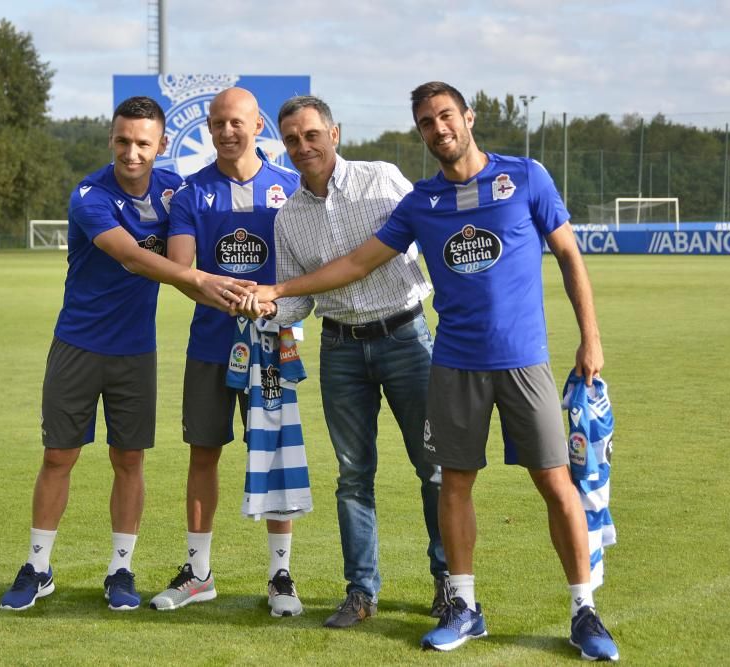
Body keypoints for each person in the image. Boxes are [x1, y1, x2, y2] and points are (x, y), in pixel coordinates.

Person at [243, 82, 619, 661]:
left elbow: (569, 255)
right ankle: (463, 607)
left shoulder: (524, 177)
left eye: (446, 116)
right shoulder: (420, 202)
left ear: (468, 117)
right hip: (448, 363)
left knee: (553, 483)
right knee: (447, 481)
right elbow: (355, 263)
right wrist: (275, 294)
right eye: (426, 121)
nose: (438, 128)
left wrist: (591, 339)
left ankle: (584, 611)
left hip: (510, 360)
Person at [0, 96, 251, 613]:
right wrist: (206, 279)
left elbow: (205, 236)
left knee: (129, 460)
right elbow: (135, 259)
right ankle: (38, 567)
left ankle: (120, 569)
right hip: (77, 345)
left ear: (161, 145)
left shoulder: (176, 191)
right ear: (111, 140)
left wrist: (249, 294)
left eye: (142, 142)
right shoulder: (89, 195)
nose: (131, 153)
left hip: (136, 352)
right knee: (58, 457)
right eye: (122, 141)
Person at [238, 95, 449, 629]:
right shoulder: (288, 217)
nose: (303, 147)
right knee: (353, 476)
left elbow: (431, 238)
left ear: (335, 133)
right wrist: (261, 302)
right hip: (340, 350)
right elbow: (296, 300)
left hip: (407, 338)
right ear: (282, 146)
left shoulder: (384, 179)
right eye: (292, 140)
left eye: (312, 135)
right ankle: (361, 593)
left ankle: (449, 583)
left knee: (435, 468)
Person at [148, 87, 304, 618]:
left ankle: (280, 575)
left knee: (277, 454)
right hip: (212, 347)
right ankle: (199, 572)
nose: (226, 131)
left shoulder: (291, 187)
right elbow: (182, 270)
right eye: (217, 123)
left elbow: (303, 270)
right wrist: (235, 294)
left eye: (236, 122)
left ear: (257, 125)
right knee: (203, 452)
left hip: (275, 347)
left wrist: (269, 301)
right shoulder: (192, 193)